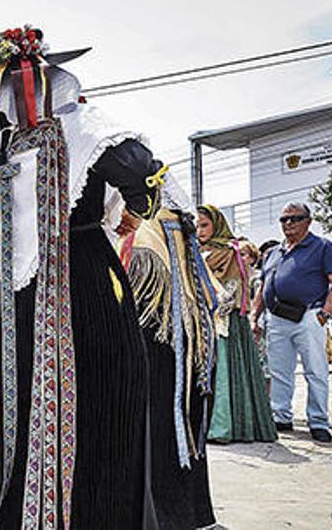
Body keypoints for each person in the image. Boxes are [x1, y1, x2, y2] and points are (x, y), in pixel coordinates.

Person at [0, 26, 167, 527]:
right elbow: (142, 176)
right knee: (101, 416)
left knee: (18, 426)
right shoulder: (82, 129)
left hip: (5, 306)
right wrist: (129, 207)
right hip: (84, 287)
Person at [121, 206, 218, 530]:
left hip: (157, 341)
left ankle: (162, 517)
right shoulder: (181, 240)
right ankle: (190, 514)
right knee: (182, 432)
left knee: (159, 430)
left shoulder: (143, 236)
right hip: (189, 339)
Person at [251, 202, 332, 443]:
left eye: (295, 218)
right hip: (277, 318)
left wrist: (324, 313)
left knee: (316, 371)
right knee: (279, 371)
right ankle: (281, 416)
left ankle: (318, 421)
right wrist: (254, 316)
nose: (289, 223)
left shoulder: (323, 247)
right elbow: (263, 287)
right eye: (284, 219)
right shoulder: (273, 252)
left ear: (308, 221)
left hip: (308, 315)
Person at [196, 205, 277, 444]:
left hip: (223, 320)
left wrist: (210, 307)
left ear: (217, 224)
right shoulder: (194, 251)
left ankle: (225, 426)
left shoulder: (231, 252)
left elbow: (232, 287)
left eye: (204, 225)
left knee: (225, 370)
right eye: (197, 226)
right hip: (199, 319)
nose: (200, 231)